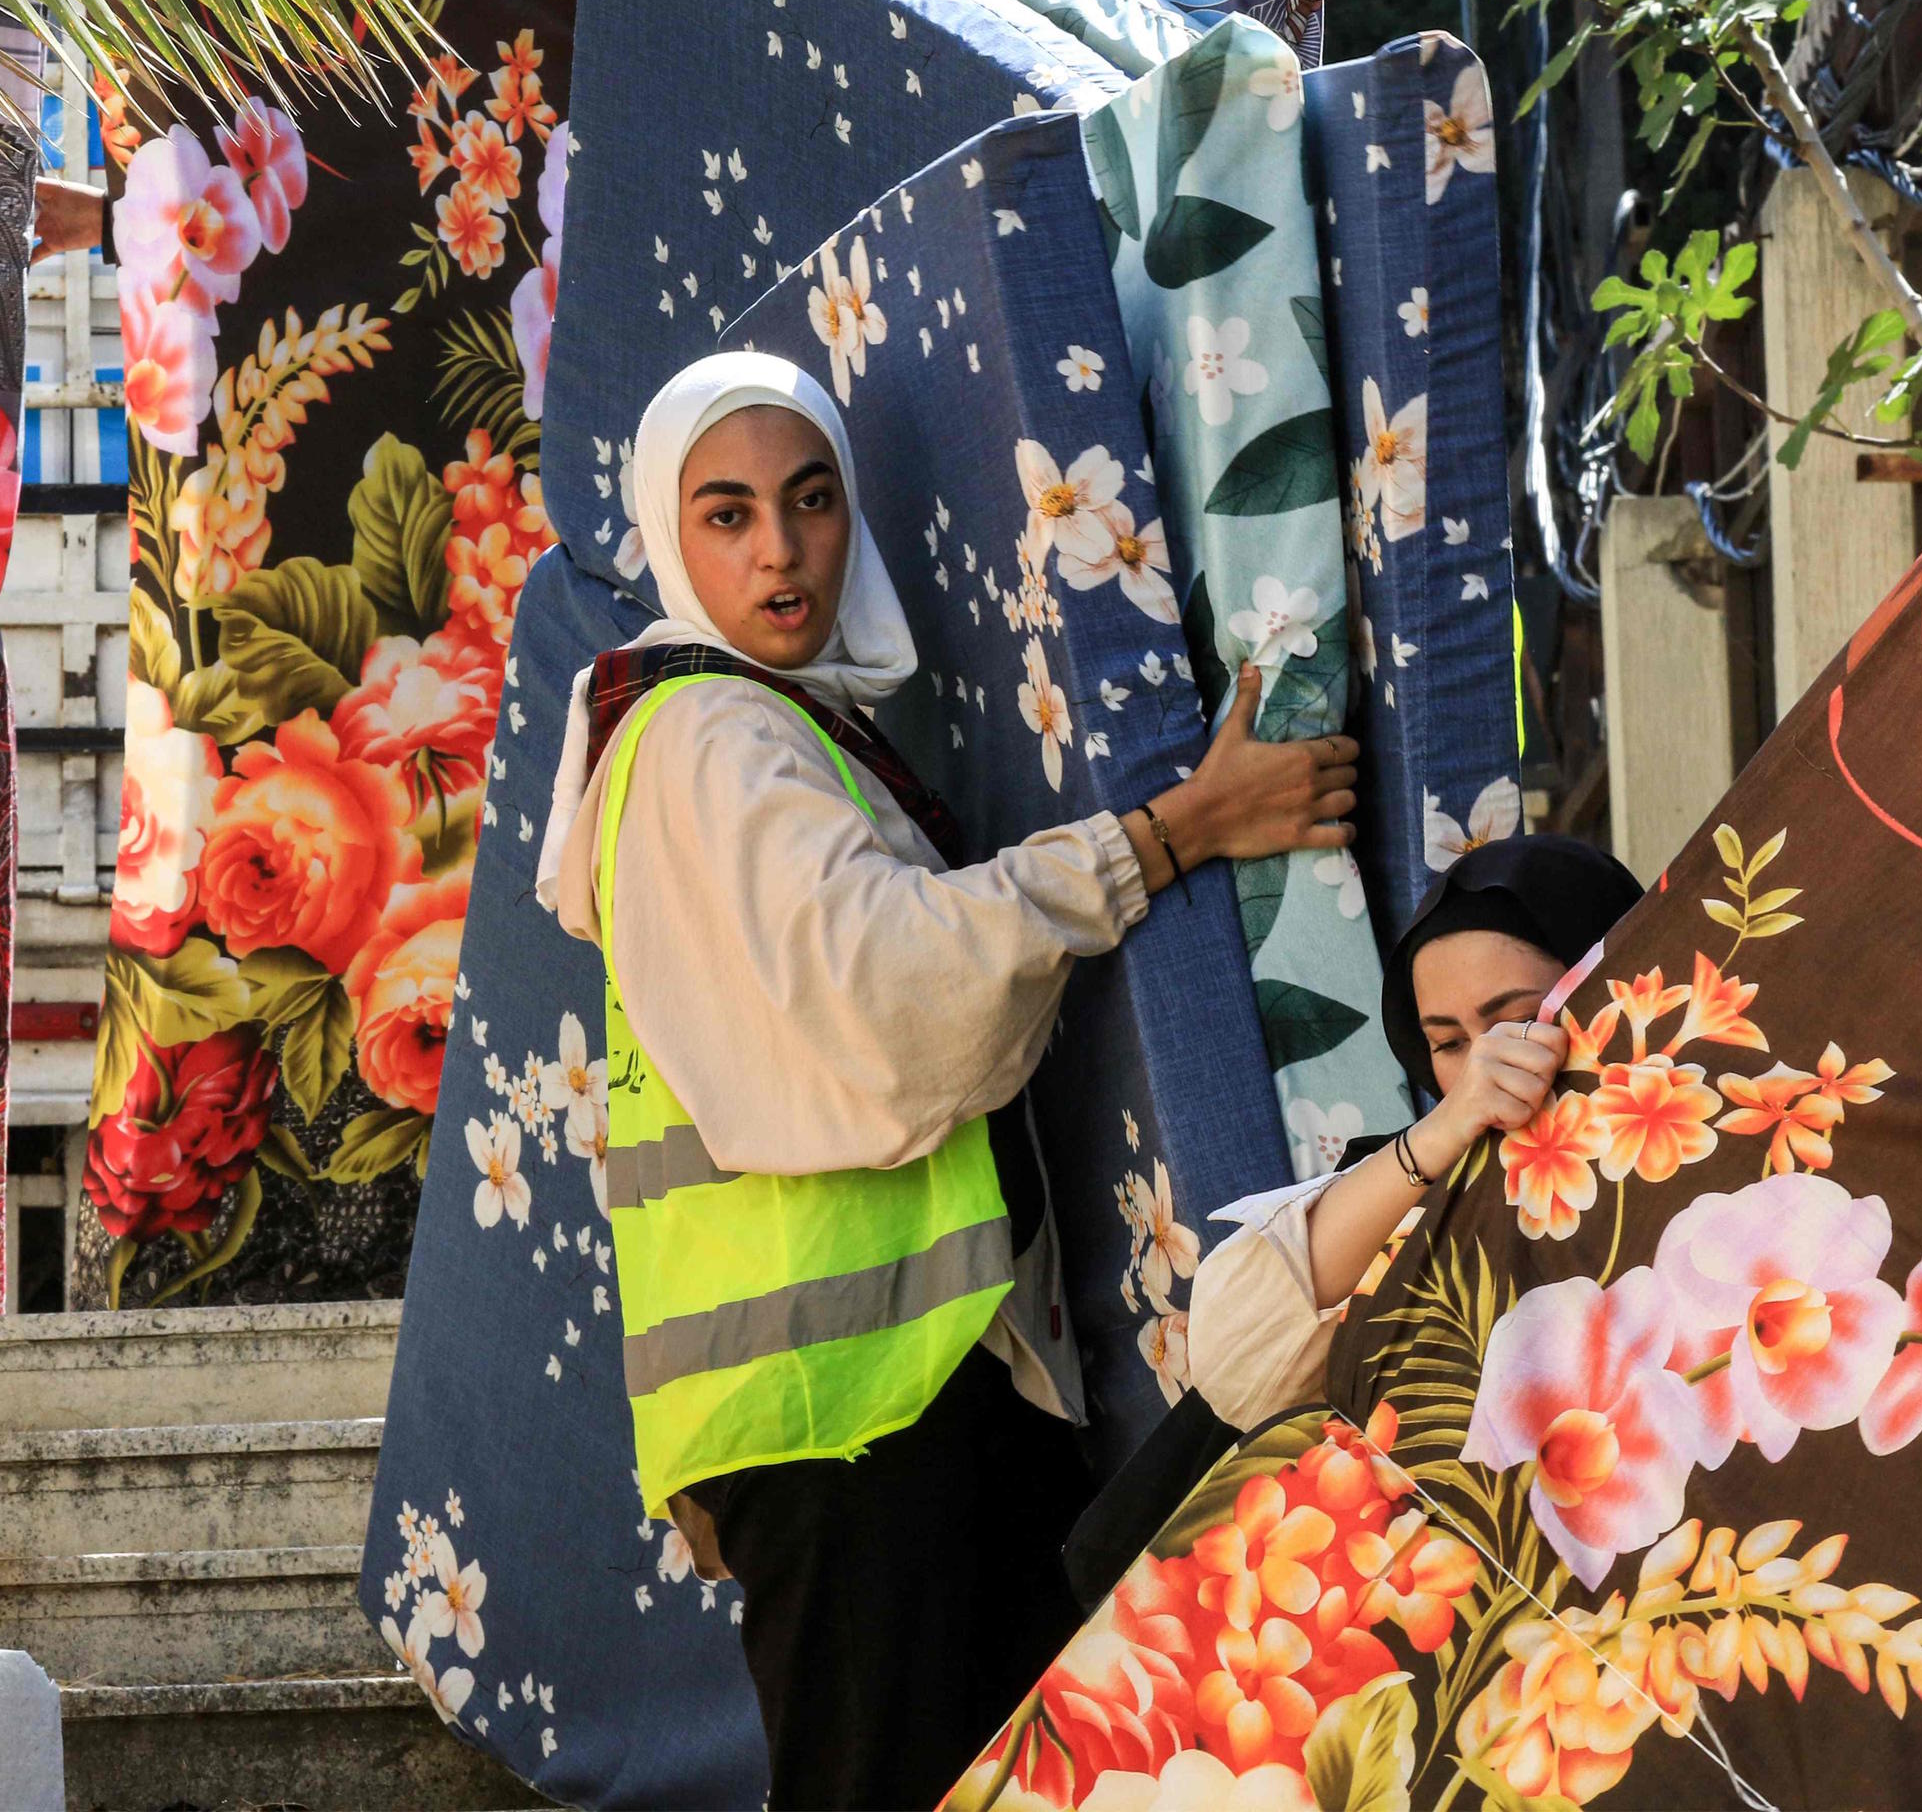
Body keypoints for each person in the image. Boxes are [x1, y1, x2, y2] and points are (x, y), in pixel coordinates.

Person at [536, 351, 1357, 1809]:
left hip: (879, 1412)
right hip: (860, 1421)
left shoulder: (773, 732)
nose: (781, 550)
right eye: (725, 516)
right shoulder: (706, 735)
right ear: (669, 539)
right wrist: (1173, 835)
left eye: (811, 501)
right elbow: (889, 1001)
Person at [1181, 833, 1643, 1427]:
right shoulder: (1421, 1197)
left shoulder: (1748, 1116)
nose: (1484, 1064)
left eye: (1521, 1020)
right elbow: (1234, 1363)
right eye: (1449, 1044)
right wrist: (1444, 1130)